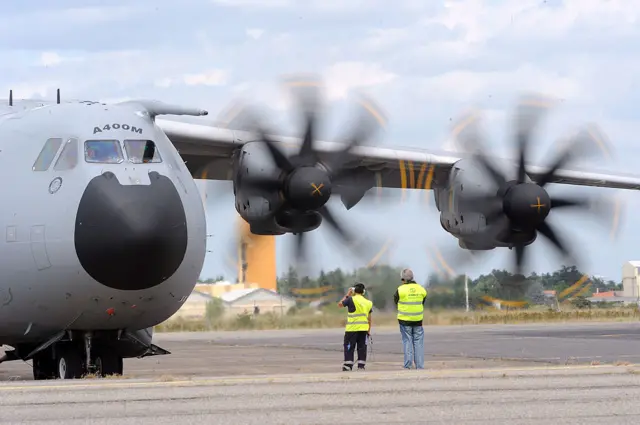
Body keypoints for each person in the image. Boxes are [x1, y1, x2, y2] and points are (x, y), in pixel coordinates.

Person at [393, 268, 427, 369]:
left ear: (403, 279)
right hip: (418, 320)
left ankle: (408, 365)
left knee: (407, 341)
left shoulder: (400, 290)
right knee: (418, 343)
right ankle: (420, 366)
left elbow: (396, 301)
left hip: (404, 320)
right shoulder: (421, 289)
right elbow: (423, 301)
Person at [337, 282, 373, 371]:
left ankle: (348, 365)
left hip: (352, 329)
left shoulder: (350, 299)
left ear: (354, 291)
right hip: (364, 329)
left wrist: (348, 294)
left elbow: (340, 304)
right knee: (362, 347)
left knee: (349, 347)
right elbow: (369, 319)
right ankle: (361, 366)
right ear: (363, 292)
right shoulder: (368, 302)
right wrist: (368, 330)